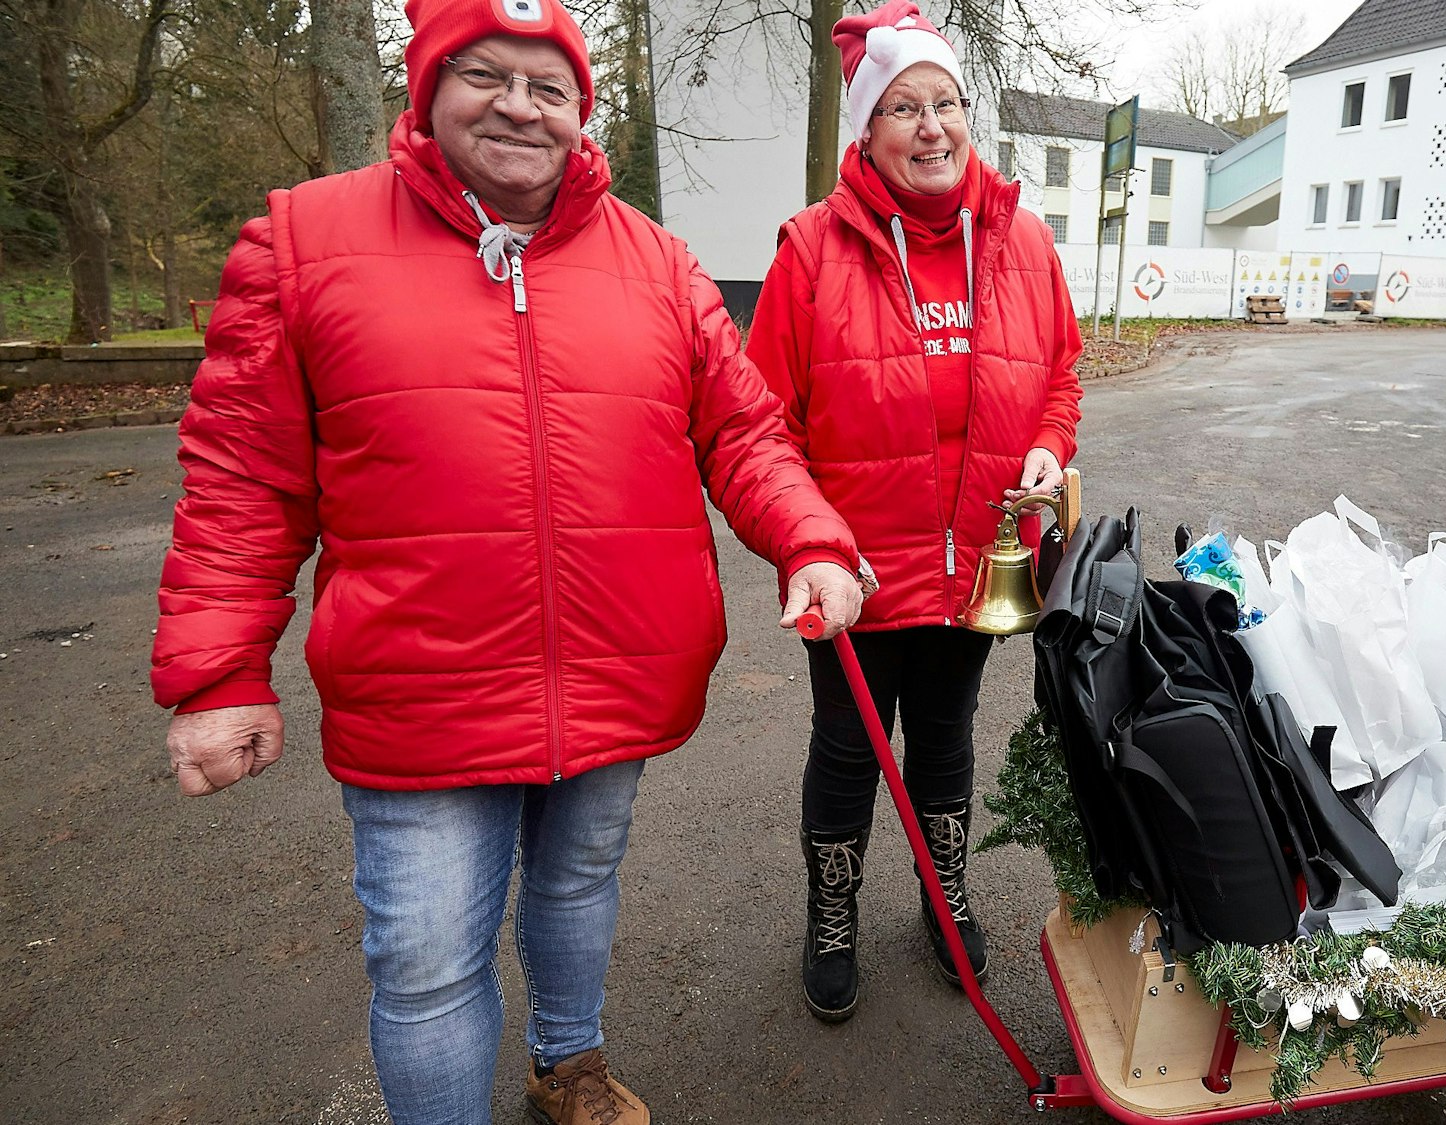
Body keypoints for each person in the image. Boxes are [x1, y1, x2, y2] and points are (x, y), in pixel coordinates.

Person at [149, 0, 865, 1121]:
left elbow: (745, 433)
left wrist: (810, 543)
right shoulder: (304, 241)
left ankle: (567, 1059)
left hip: (620, 668)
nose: (519, 107)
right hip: (419, 682)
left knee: (580, 880)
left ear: (582, 114)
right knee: (429, 964)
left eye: (549, 87)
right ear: (427, 87)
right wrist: (215, 676)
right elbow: (244, 481)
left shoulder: (659, 263)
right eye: (485, 74)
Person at [747, 0, 1084, 1024]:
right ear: (867, 130)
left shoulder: (1023, 240)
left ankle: (946, 899)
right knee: (849, 749)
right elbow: (762, 422)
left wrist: (1045, 447)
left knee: (944, 741)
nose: (931, 126)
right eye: (903, 108)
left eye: (946, 102)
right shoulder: (810, 249)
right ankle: (832, 915)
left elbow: (1061, 375)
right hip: (856, 574)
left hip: (975, 568)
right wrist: (813, 547)